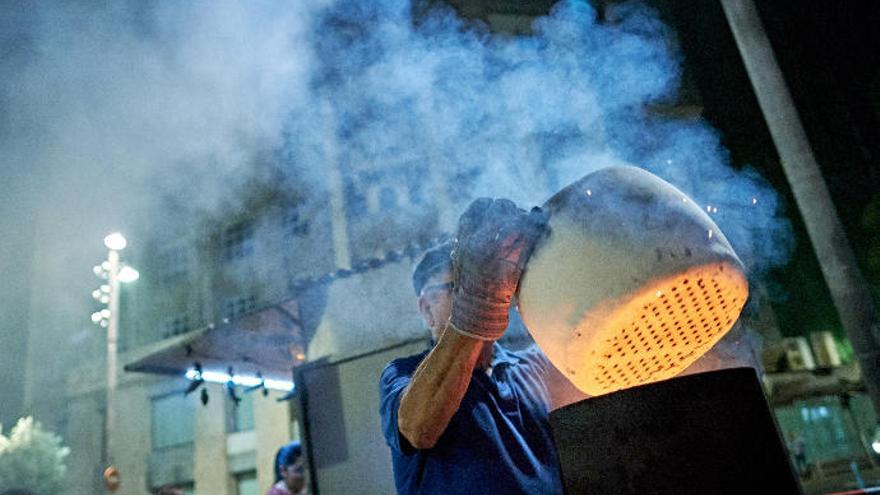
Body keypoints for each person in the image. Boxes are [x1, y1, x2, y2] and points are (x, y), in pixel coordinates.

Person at [380, 198, 580, 495]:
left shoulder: (533, 366)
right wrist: (474, 308)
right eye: (455, 287)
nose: (475, 290)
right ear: (426, 308)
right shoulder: (402, 374)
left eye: (477, 280)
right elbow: (418, 428)